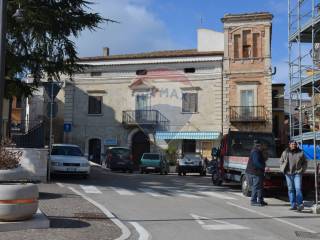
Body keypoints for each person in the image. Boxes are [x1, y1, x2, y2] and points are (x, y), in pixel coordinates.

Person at [280, 140, 308, 211]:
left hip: (297, 173)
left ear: (296, 145)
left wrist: (302, 170)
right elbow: (281, 161)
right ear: (289, 145)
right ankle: (293, 205)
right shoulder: (285, 152)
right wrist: (282, 168)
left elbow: (305, 162)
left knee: (298, 188)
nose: (293, 145)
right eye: (292, 144)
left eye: (294, 144)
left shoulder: (300, 152)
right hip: (288, 174)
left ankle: (300, 204)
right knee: (291, 189)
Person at [245, 139, 268, 206]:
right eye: (262, 145)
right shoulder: (255, 151)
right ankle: (253, 201)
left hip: (258, 172)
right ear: (259, 145)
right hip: (255, 172)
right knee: (256, 186)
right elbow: (256, 162)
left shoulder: (258, 151)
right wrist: (264, 167)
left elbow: (261, 160)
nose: (263, 147)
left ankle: (260, 200)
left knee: (260, 187)